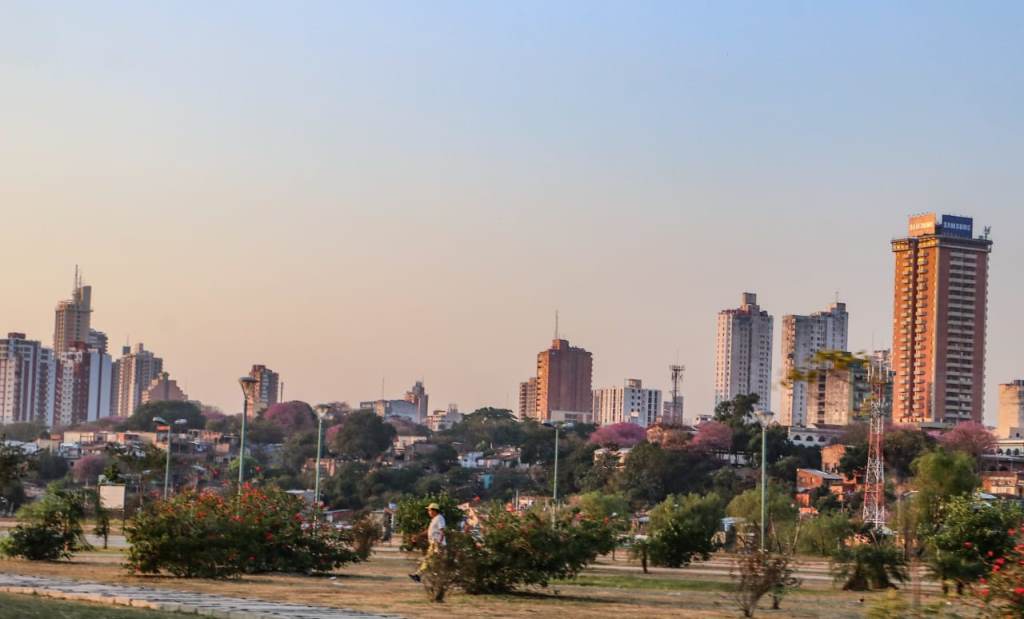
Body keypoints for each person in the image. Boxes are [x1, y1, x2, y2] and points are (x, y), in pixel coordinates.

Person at [409, 502, 445, 582]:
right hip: (433, 544)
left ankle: (419, 575)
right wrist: (418, 536)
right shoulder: (434, 519)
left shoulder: (439, 518)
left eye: (429, 510)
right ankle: (419, 575)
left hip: (437, 544)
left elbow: (442, 531)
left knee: (430, 560)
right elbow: (429, 531)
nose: (428, 512)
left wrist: (439, 543)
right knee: (430, 561)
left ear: (434, 511)